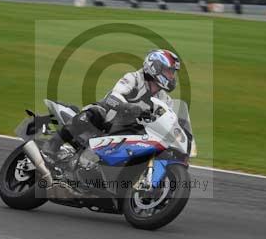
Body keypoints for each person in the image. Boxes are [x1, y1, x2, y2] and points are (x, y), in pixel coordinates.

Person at [44, 49, 180, 159]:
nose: (171, 77)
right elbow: (113, 97)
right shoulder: (134, 79)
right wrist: (128, 107)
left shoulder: (164, 99)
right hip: (107, 120)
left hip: (130, 130)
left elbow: (168, 119)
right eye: (168, 71)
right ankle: (53, 144)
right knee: (95, 113)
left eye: (172, 73)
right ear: (155, 67)